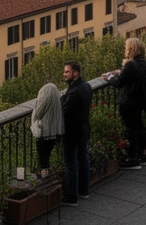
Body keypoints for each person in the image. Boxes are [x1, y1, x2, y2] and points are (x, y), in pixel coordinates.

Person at [109, 37, 146, 170]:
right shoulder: (144, 62)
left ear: (131, 49)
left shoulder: (130, 64)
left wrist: (109, 77)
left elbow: (118, 82)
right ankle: (142, 155)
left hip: (129, 101)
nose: (125, 49)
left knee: (131, 129)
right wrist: (120, 73)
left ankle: (132, 159)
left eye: (126, 47)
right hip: (139, 100)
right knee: (139, 126)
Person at [60, 61, 93, 206]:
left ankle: (72, 197)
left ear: (75, 73)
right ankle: (84, 190)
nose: (64, 74)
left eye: (67, 72)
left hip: (72, 132)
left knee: (71, 163)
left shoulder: (74, 92)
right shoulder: (86, 86)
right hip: (84, 129)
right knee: (83, 158)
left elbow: (64, 111)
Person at [30, 82, 64, 177]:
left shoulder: (45, 97)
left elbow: (37, 113)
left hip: (44, 133)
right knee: (46, 158)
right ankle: (47, 178)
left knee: (43, 161)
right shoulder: (57, 100)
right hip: (54, 133)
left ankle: (44, 179)